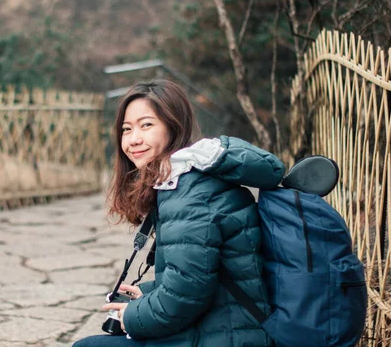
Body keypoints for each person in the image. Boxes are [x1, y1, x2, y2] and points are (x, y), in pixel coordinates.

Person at [73, 79, 285, 347]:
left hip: (227, 337)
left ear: (174, 127)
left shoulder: (191, 195)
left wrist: (131, 317)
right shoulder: (187, 182)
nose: (134, 139)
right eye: (126, 129)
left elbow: (185, 299)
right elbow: (204, 277)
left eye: (146, 125)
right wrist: (148, 292)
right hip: (225, 327)